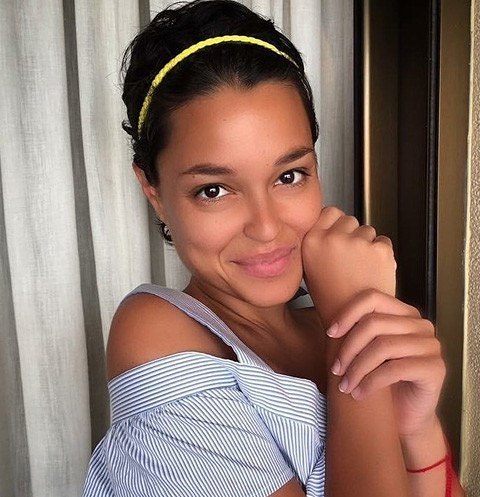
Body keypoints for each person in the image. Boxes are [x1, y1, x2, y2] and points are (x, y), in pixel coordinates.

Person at [82, 1, 465, 496]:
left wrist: (417, 431)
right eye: (214, 190)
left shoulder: (325, 321)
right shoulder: (155, 333)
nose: (266, 227)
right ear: (153, 190)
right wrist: (354, 329)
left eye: (289, 176)